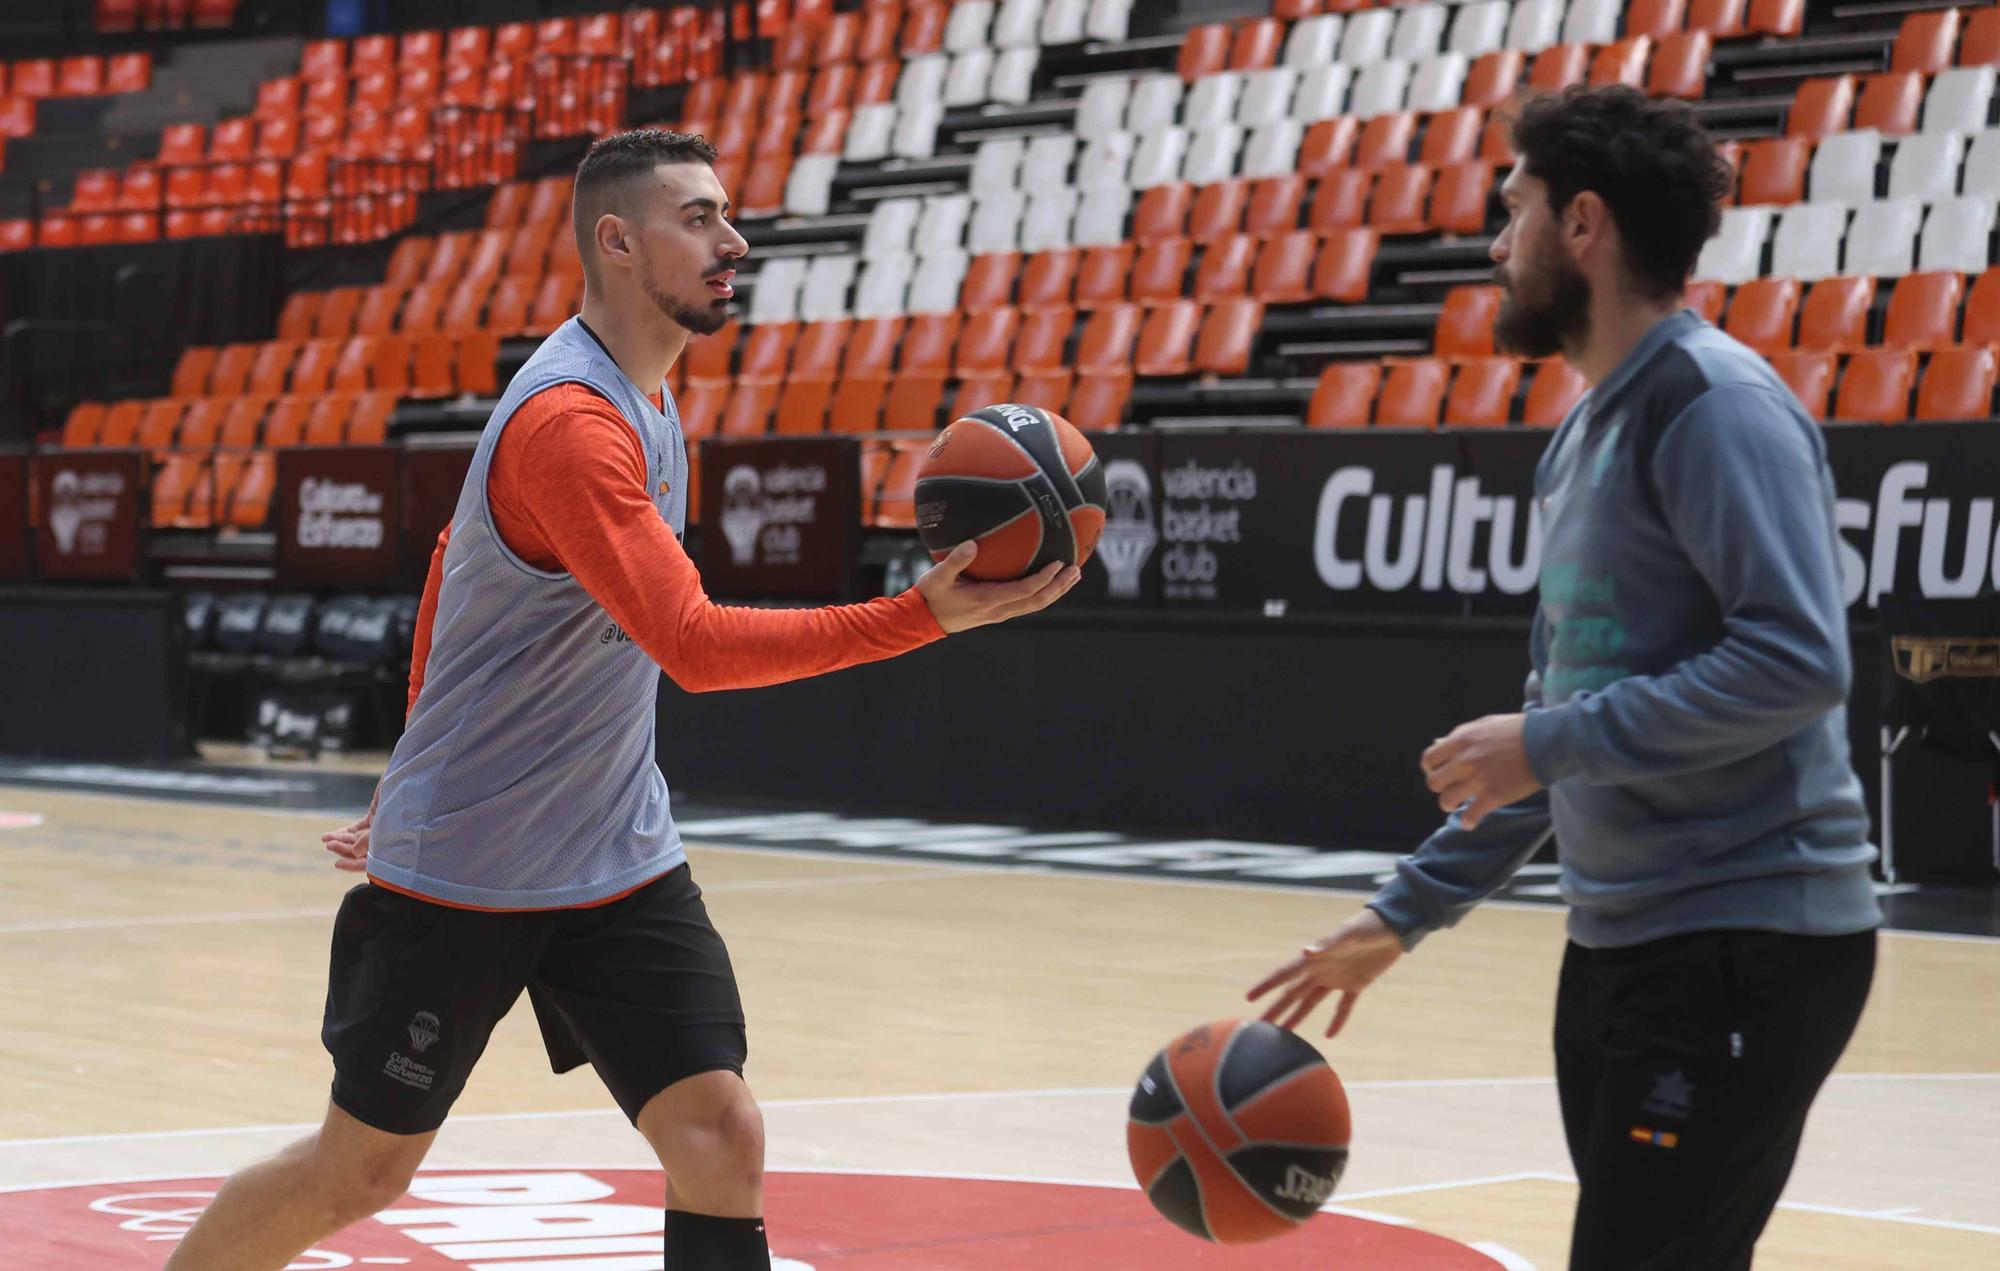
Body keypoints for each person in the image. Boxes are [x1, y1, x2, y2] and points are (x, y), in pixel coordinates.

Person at [165, 129, 1080, 1271]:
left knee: (718, 1131)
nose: (732, 238)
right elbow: (691, 646)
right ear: (616, 239)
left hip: (613, 850)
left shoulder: (645, 397)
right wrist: (919, 615)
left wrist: (406, 751)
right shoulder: (570, 422)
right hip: (473, 861)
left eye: (725, 214)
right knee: (359, 1170)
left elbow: (454, 556)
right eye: (697, 216)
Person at [1249, 86, 1880, 1270]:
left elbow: (1797, 660)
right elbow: (1558, 722)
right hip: (1618, 944)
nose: (1495, 245)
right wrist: (1404, 912)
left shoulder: (1714, 406)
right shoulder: (1582, 431)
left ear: (1580, 223)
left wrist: (1542, 743)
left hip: (1747, 936)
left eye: (1513, 211)